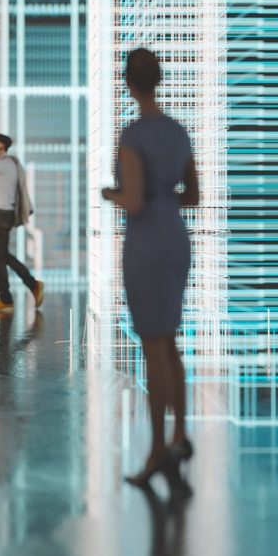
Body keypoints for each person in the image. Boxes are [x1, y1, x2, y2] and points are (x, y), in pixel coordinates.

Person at [101, 48, 199, 488]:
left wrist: (110, 194)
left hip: (147, 241)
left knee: (153, 347)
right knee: (170, 343)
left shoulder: (133, 136)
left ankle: (158, 449)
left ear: (130, 84)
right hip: (175, 236)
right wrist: (165, 200)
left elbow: (134, 198)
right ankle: (180, 434)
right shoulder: (178, 132)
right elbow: (192, 195)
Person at [0, 133, 44, 315]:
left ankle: (7, 298)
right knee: (2, 256)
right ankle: (30, 285)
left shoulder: (4, 164)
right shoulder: (6, 165)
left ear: (1, 147)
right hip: (1, 214)